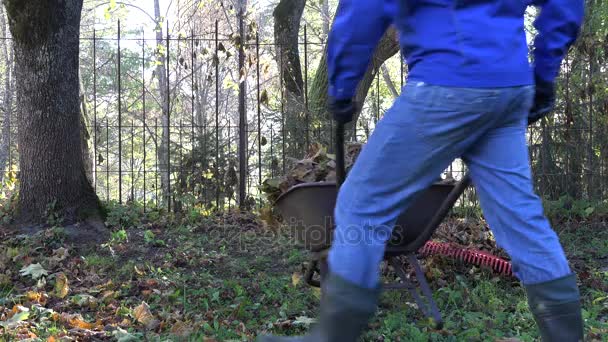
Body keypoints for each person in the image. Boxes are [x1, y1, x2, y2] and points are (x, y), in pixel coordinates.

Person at [258, 0, 585, 341]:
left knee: (361, 203)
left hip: (447, 84)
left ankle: (333, 334)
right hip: (509, 88)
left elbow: (365, 9)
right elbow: (564, 5)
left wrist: (342, 86)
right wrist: (545, 74)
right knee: (521, 218)